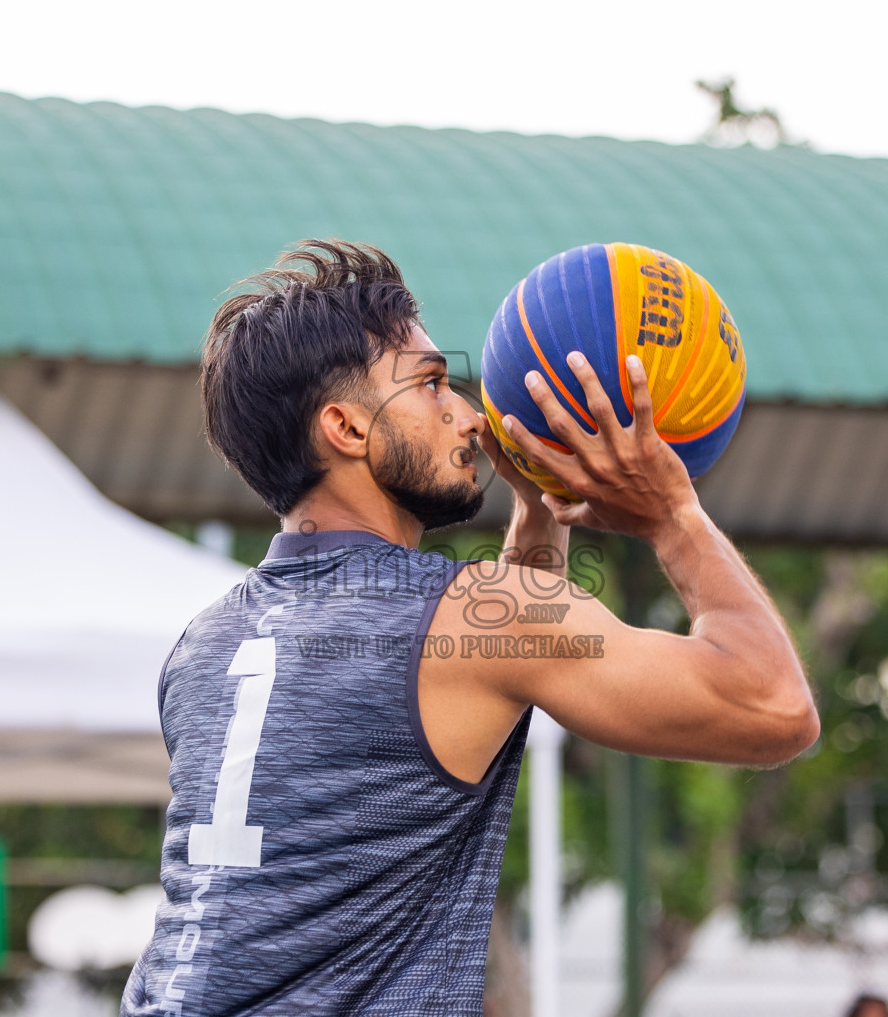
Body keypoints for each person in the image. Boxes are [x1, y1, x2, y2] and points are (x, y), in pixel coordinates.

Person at [121, 240, 819, 1016]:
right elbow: (774, 708)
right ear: (346, 429)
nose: (468, 411)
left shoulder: (204, 644)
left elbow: (484, 678)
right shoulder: (463, 614)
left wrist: (535, 506)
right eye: (429, 386)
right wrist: (673, 513)